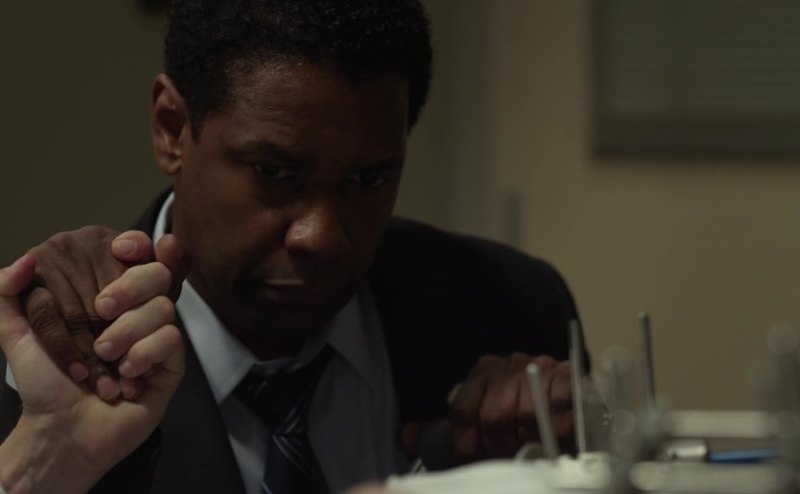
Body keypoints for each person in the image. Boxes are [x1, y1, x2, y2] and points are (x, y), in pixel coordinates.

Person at [0, 1, 585, 492]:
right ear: (171, 127)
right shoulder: (40, 363)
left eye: (368, 180)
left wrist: (586, 454)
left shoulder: (513, 310)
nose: (321, 237)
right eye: (274, 173)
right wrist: (41, 466)